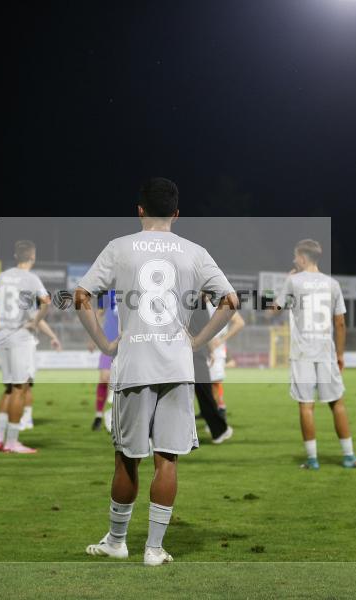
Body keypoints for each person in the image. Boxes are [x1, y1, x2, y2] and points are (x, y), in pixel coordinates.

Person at [77, 177, 238, 566]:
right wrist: (196, 342)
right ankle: (154, 548)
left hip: (134, 362)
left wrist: (103, 344)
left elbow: (82, 297)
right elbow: (231, 301)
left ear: (140, 210)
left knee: (127, 458)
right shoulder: (195, 252)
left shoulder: (120, 247)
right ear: (177, 214)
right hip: (177, 365)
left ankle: (117, 541)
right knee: (167, 458)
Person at [274, 240, 356, 471]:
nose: (295, 260)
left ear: (303, 258)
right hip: (326, 352)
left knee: (306, 406)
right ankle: (348, 456)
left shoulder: (293, 281)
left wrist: (282, 286)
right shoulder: (332, 284)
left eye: (296, 256)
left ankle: (313, 460)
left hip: (302, 353)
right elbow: (340, 322)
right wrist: (340, 354)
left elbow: (272, 309)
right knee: (337, 403)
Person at [0, 240, 50, 454]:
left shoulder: (3, 276)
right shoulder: (31, 278)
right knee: (21, 388)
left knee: (10, 388)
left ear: (15, 257)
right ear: (33, 257)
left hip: (3, 335)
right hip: (20, 336)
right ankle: (12, 442)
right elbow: (46, 302)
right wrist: (35, 320)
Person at [189, 293, 233, 444]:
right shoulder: (197, 301)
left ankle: (218, 430)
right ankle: (219, 430)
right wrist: (209, 349)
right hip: (195, 353)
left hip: (183, 351)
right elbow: (205, 328)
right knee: (205, 394)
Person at [206, 298, 244, 417]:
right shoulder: (197, 302)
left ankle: (219, 418)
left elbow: (239, 322)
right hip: (198, 349)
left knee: (214, 384)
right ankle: (208, 414)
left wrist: (221, 340)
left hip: (216, 352)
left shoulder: (223, 302)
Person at [91, 290, 119, 431]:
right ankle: (98, 415)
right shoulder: (108, 292)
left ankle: (114, 416)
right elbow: (98, 314)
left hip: (129, 343)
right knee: (104, 378)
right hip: (109, 343)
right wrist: (92, 337)